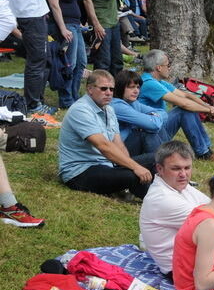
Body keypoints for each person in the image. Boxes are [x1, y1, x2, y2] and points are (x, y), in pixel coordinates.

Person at [59, 70, 154, 198]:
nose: (108, 93)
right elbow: (104, 146)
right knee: (133, 175)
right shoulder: (81, 110)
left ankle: (169, 193)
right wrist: (135, 167)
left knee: (160, 158)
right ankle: (157, 202)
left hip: (106, 165)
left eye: (111, 89)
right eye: (103, 89)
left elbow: (118, 144)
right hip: (80, 172)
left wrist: (131, 166)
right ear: (90, 89)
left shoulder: (108, 109)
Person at [138, 50, 214, 161]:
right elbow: (184, 103)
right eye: (168, 65)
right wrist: (207, 110)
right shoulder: (149, 83)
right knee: (184, 110)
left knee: (187, 109)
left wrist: (208, 106)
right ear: (159, 68)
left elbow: (186, 96)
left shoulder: (159, 82)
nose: (169, 68)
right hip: (153, 134)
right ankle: (203, 152)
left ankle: (206, 149)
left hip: (159, 126)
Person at [43, 0, 84, 109]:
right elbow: (54, 5)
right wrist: (62, 28)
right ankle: (66, 99)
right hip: (66, 26)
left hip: (75, 24)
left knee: (81, 62)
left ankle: (74, 95)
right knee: (69, 64)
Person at [111, 69, 167, 157]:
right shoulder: (117, 105)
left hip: (132, 143)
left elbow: (163, 113)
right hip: (120, 150)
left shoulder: (134, 103)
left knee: (157, 127)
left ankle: (168, 158)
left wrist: (153, 119)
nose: (136, 91)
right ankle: (165, 160)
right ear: (121, 88)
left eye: (138, 87)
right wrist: (151, 119)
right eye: (131, 87)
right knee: (148, 132)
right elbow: (153, 125)